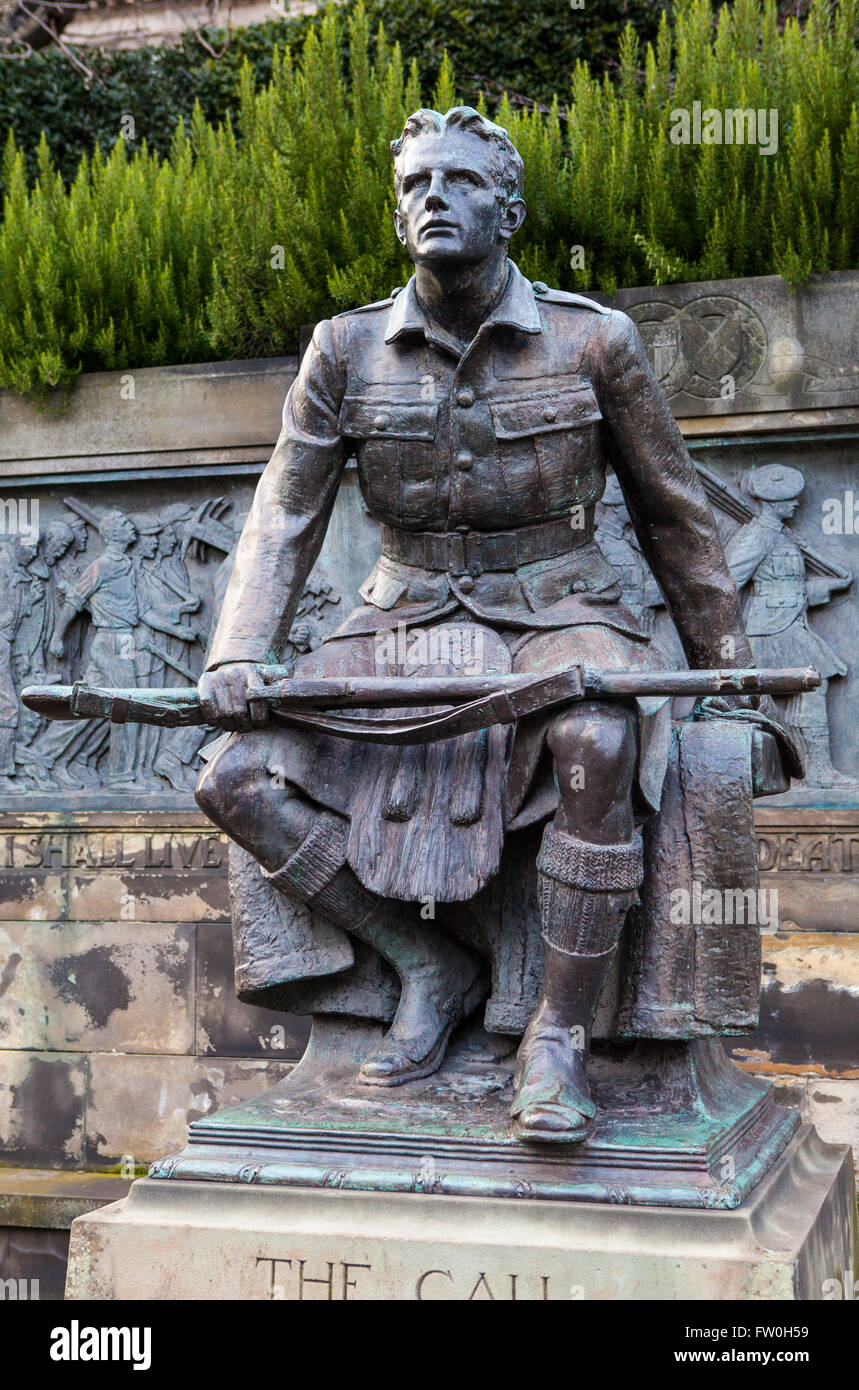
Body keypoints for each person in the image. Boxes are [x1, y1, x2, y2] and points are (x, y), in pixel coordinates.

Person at [195, 107, 757, 1143]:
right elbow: (284, 510)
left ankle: (556, 1037)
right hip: (400, 622)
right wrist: (238, 648)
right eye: (415, 186)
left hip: (563, 611)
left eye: (458, 181)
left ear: (511, 207)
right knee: (230, 775)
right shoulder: (343, 349)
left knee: (596, 740)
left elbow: (677, 517)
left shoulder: (596, 341)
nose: (434, 200)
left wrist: (728, 675)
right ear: (396, 213)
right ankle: (424, 965)